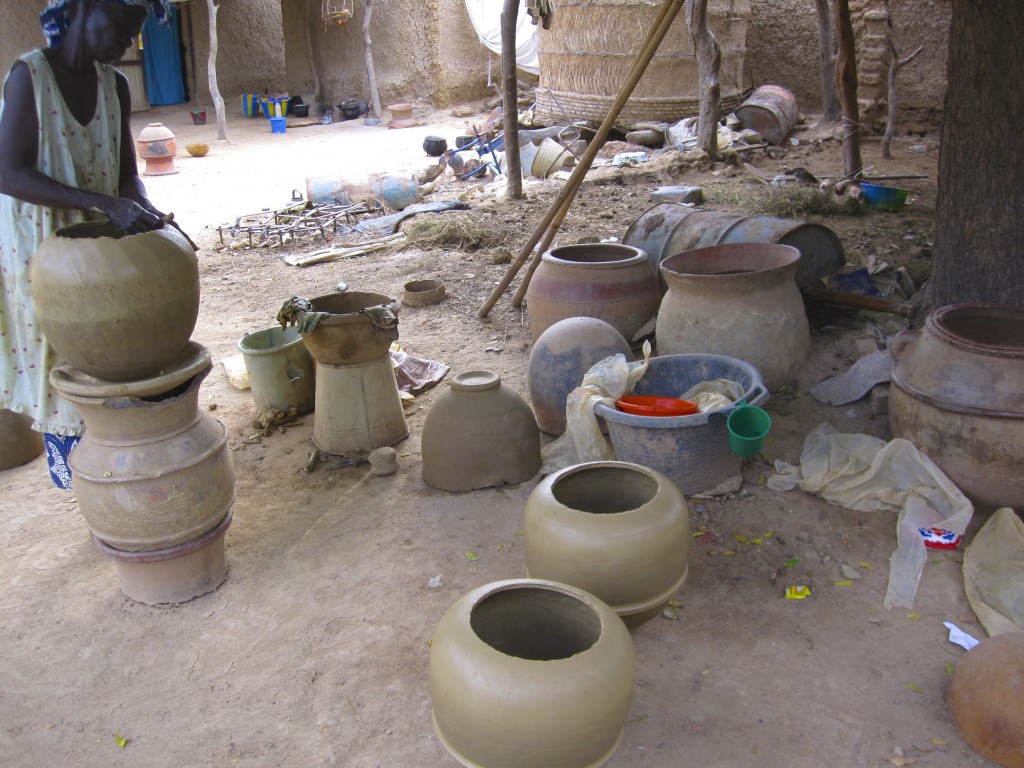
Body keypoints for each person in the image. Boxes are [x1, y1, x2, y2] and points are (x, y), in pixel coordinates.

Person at [0, 0, 174, 489]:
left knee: (108, 355)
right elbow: (7, 172)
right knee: (61, 368)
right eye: (119, 27)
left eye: (133, 34)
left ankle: (111, 473)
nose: (125, 43)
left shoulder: (114, 86)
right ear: (79, 8)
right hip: (40, 251)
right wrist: (101, 204)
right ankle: (79, 485)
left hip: (98, 255)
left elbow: (126, 178)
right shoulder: (29, 77)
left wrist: (144, 210)